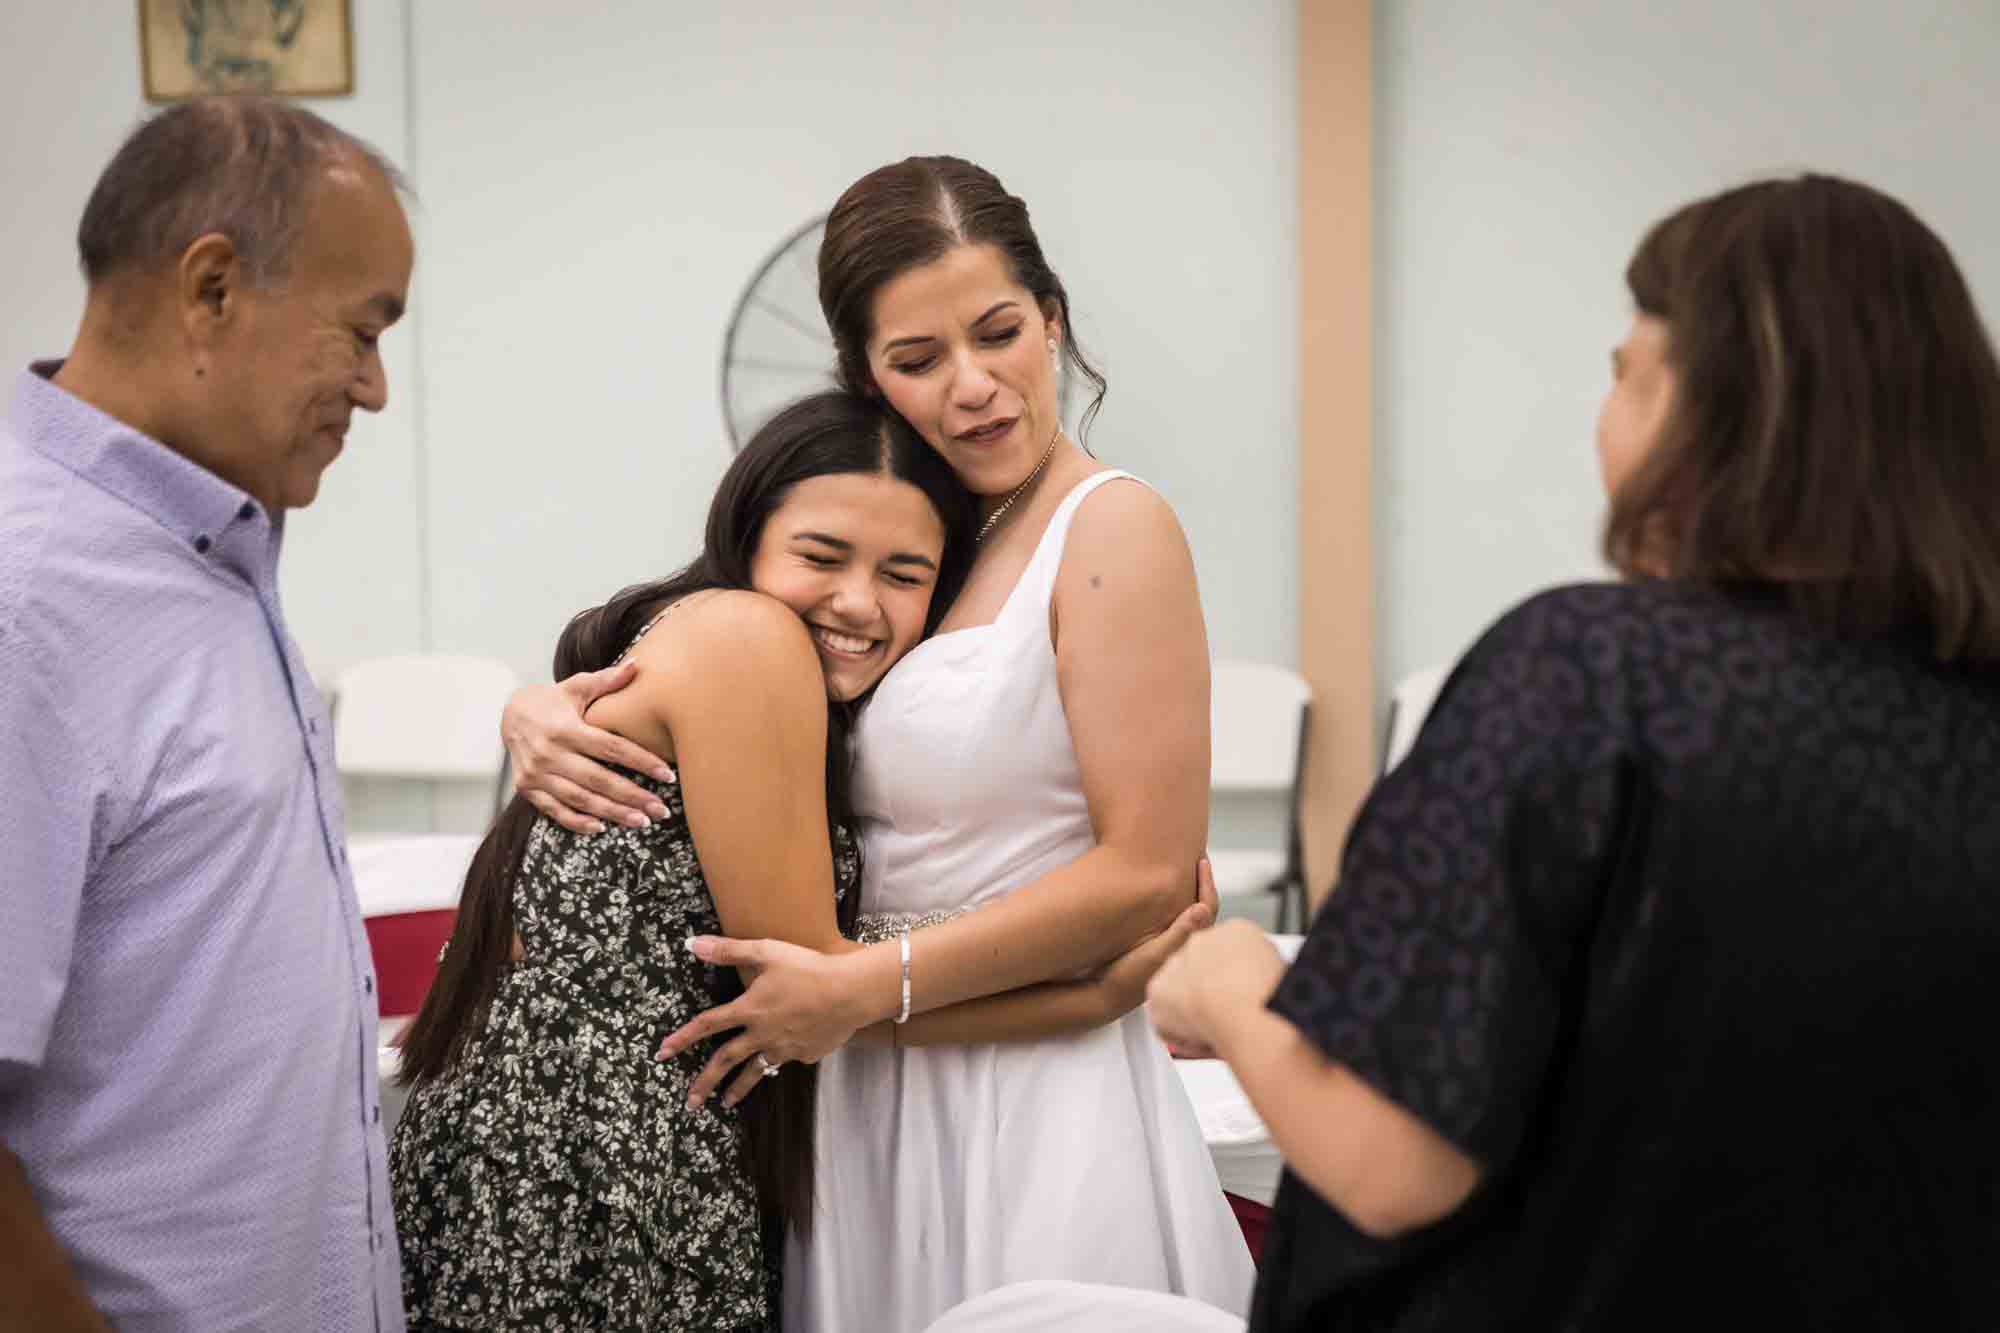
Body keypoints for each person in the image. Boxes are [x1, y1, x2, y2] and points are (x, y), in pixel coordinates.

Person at [945, 173, 2000, 1332]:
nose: (1602, 417)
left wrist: (1236, 988)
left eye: (1621, 372)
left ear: (1706, 409)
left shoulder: (1589, 679)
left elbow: (1393, 1160)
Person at [504, 155, 1255, 1328]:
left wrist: (868, 986)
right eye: (917, 361)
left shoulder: (1111, 528)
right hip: (849, 1082)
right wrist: (547, 705)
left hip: (1018, 1096)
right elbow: (730, 678)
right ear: (865, 376)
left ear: (1051, 321)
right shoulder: (909, 538)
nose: (973, 387)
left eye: (999, 332)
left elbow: (1146, 869)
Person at [390, 392, 1204, 1330]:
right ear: (750, 532)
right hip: (598, 1176)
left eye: (904, 575)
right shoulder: (750, 638)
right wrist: (1090, 1001)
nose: (858, 602)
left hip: (569, 1149)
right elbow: (816, 997)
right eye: (821, 557)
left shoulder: (723, 643)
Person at [0, 98, 414, 1330]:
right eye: (361, 332)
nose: (378, 389)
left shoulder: (206, 548)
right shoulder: (31, 601)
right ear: (215, 288)